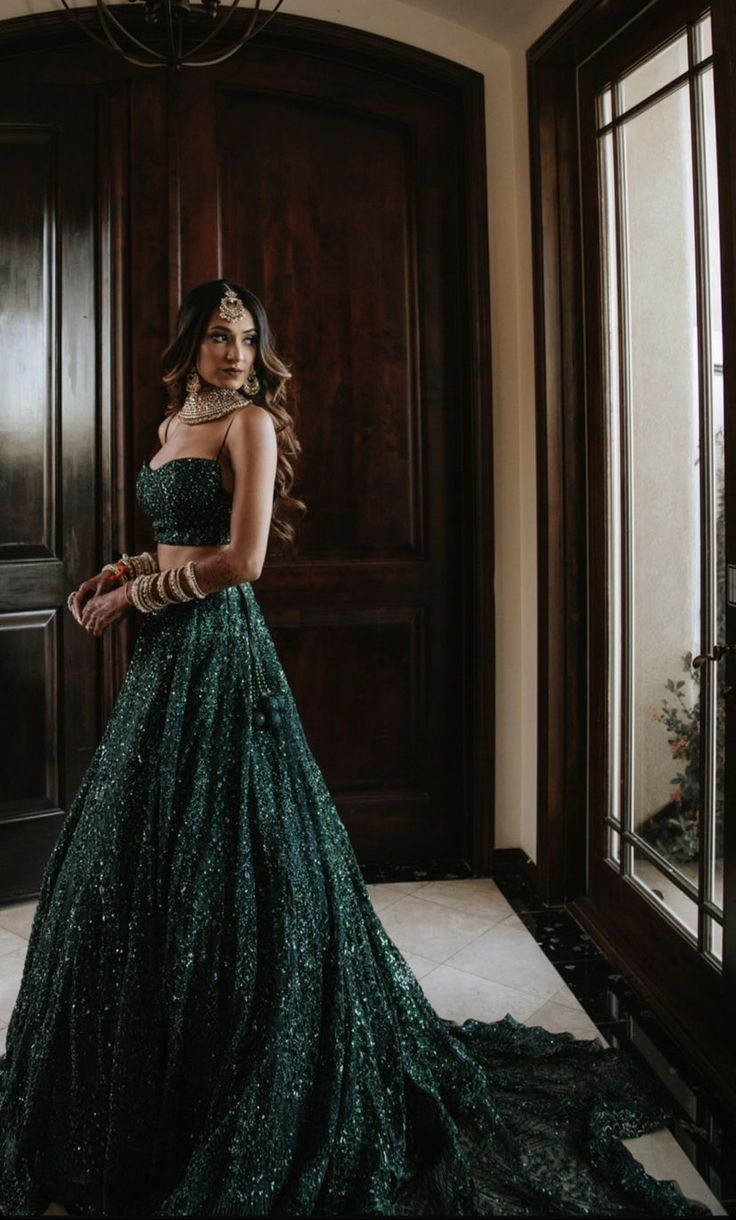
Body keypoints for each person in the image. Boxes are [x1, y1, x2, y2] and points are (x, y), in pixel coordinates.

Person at [0, 280, 712, 1219]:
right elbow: (181, 538)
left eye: (248, 339)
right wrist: (128, 568)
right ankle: (133, 1082)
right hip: (167, 656)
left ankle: (249, 1062)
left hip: (217, 653)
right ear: (190, 344)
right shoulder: (178, 416)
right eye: (219, 337)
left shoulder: (249, 422)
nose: (235, 354)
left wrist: (137, 599)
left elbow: (244, 561)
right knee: (131, 865)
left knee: (242, 854)